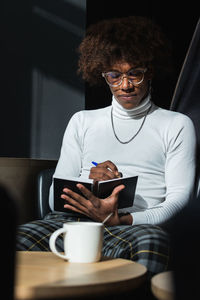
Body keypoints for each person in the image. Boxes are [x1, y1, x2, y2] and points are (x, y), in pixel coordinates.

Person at [17, 16, 196, 278]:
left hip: (135, 226)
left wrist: (122, 219)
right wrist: (89, 182)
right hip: (73, 223)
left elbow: (180, 202)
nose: (125, 85)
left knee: (153, 245)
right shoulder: (82, 121)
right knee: (18, 238)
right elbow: (56, 194)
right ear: (103, 75)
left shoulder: (176, 125)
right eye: (114, 75)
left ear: (150, 71)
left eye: (135, 73)